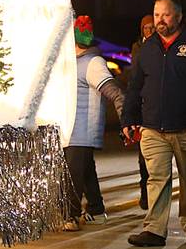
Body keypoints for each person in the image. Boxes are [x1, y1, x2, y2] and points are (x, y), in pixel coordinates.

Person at [122, 0, 186, 246]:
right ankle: (155, 230)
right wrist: (129, 119)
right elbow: (135, 86)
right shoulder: (148, 48)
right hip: (153, 127)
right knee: (156, 178)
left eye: (165, 15)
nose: (160, 20)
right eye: (157, 15)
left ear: (178, 16)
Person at [62, 15, 126, 232]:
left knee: (73, 175)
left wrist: (125, 119)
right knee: (86, 171)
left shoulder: (93, 63)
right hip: (71, 128)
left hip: (82, 129)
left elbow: (113, 92)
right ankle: (97, 211)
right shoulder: (73, 62)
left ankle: (71, 216)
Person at [130, 14, 155, 209]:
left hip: (157, 106)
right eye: (146, 27)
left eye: (152, 27)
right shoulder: (139, 47)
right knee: (143, 154)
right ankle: (145, 192)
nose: (150, 30)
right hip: (142, 106)